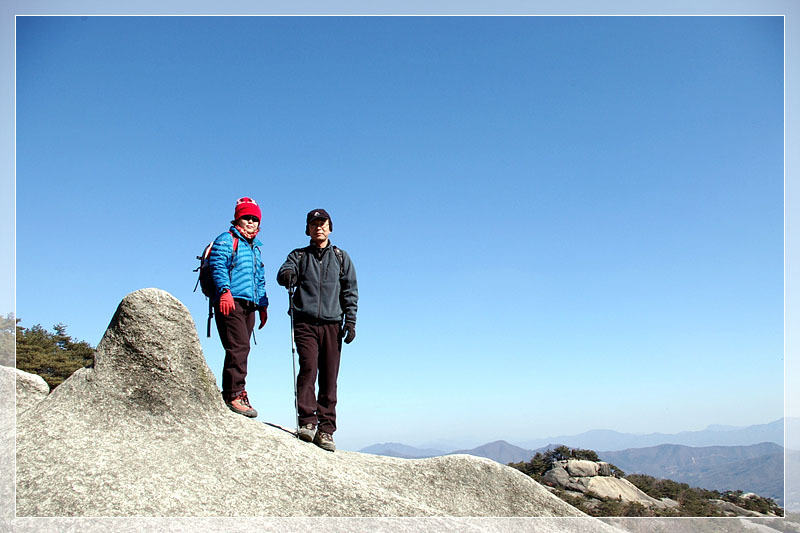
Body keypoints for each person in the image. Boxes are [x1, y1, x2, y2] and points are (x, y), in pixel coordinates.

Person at [277, 209, 358, 452]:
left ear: (330, 227)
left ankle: (326, 429)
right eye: (313, 224)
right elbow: (282, 272)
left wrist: (350, 322)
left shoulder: (341, 257)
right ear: (308, 230)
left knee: (329, 376)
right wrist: (288, 275)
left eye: (322, 223)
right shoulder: (299, 256)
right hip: (305, 322)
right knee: (309, 368)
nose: (318, 228)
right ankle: (307, 422)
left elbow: (350, 292)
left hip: (333, 323)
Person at [210, 197, 269, 417]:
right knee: (238, 347)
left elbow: (260, 277)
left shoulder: (255, 248)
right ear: (238, 219)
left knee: (243, 347)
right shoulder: (227, 239)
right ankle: (233, 394)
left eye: (255, 219)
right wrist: (224, 291)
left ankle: (238, 390)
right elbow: (218, 265)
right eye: (247, 217)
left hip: (250, 305)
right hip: (231, 301)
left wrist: (263, 305)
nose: (251, 222)